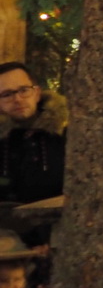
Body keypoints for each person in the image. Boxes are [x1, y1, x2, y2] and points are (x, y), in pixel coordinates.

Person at [0, 63, 65, 223]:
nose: (17, 99)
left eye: (23, 90)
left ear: (37, 93)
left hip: (61, 228)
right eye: (7, 94)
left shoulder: (65, 134)